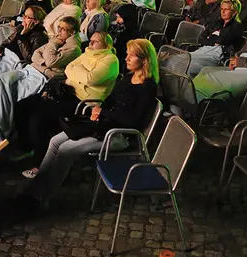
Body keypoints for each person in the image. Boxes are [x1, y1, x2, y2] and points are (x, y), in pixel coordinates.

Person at [17, 39, 157, 207]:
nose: (126, 58)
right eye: (127, 54)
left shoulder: (148, 87)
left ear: (144, 60)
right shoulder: (129, 77)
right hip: (103, 124)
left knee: (65, 150)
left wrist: (103, 113)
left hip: (119, 134)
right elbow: (111, 100)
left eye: (132, 56)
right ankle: (34, 189)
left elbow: (133, 120)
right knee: (54, 141)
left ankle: (42, 198)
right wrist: (98, 109)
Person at [0, 16, 81, 135]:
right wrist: (45, 62)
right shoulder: (58, 39)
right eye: (59, 27)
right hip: (31, 67)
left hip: (42, 76)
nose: (59, 31)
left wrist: (52, 45)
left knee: (13, 92)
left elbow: (51, 61)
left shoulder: (73, 48)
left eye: (63, 29)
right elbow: (36, 54)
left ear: (72, 32)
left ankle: (3, 126)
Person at [192, 13, 247, 103]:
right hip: (242, 66)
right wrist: (235, 58)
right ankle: (191, 94)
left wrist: (240, 61)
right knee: (206, 70)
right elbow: (243, 50)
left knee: (215, 78)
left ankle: (201, 100)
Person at [186, 0, 246, 77]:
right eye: (221, 9)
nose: (223, 12)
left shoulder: (237, 27)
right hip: (204, 49)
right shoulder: (216, 22)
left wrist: (211, 38)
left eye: (226, 9)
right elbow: (201, 38)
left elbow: (222, 40)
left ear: (234, 12)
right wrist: (213, 40)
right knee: (176, 59)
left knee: (187, 66)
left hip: (216, 56)